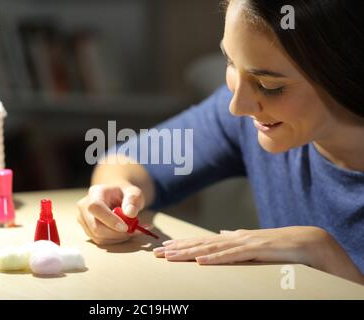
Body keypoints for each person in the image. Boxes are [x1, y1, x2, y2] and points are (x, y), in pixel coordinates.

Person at [77, 0, 364, 284]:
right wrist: (115, 196)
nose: (237, 106)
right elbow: (126, 161)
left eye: (269, 86)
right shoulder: (248, 120)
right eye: (230, 62)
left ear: (344, 71)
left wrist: (322, 252)